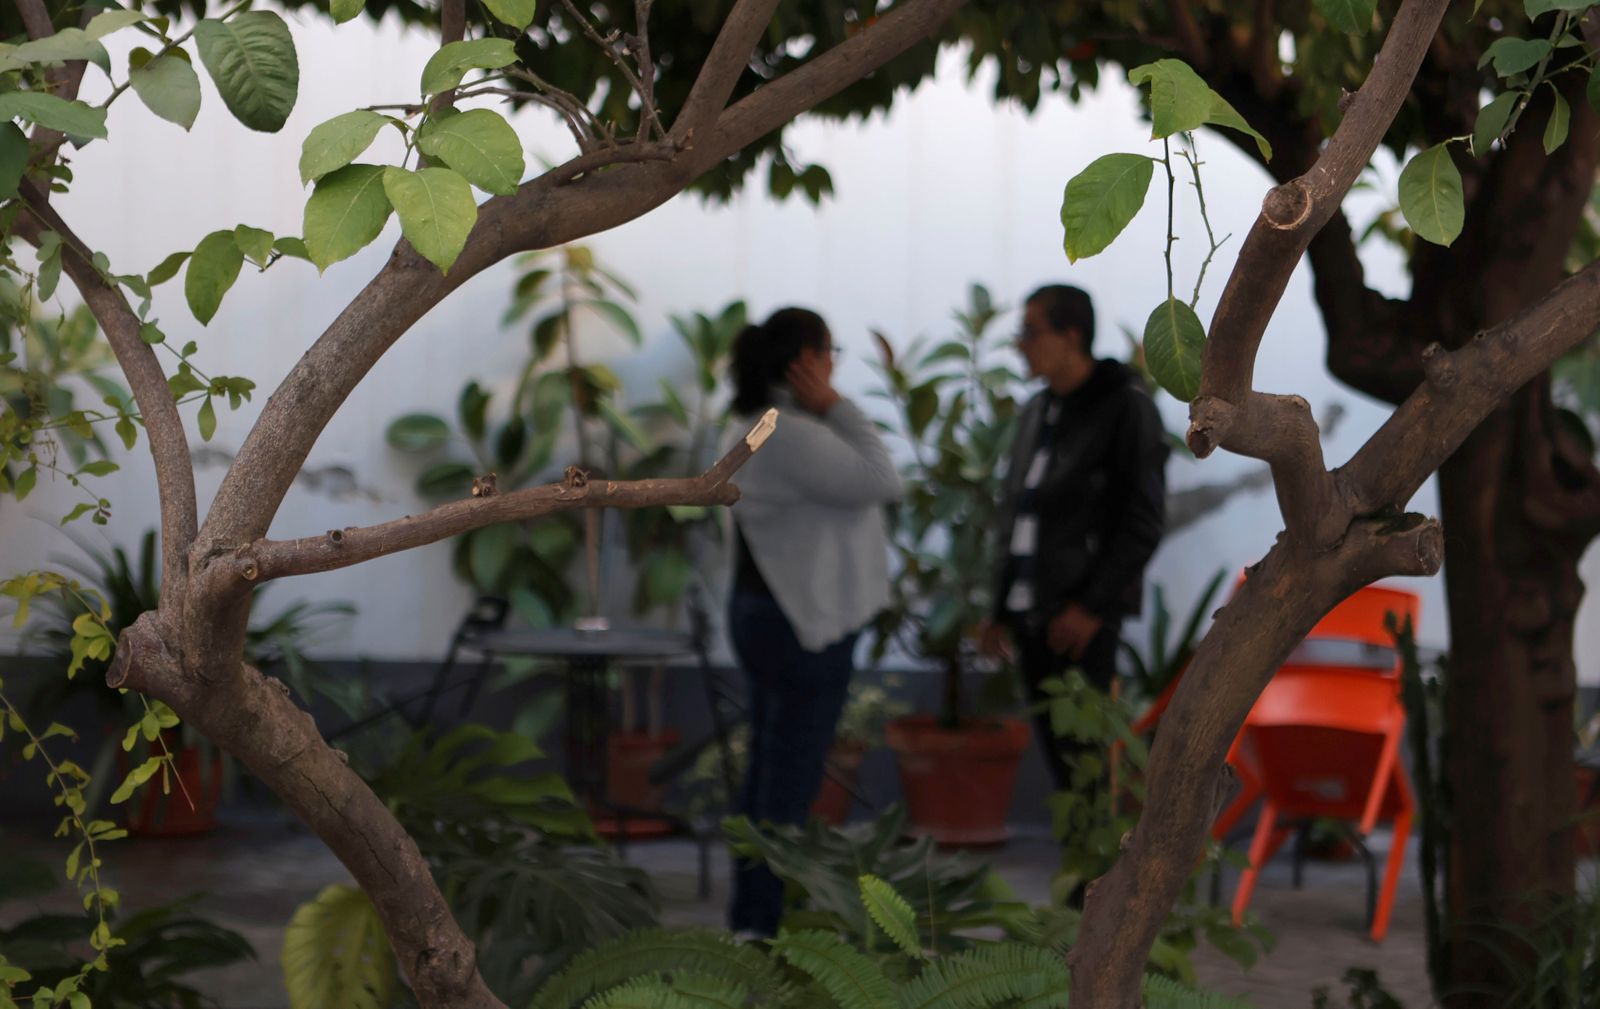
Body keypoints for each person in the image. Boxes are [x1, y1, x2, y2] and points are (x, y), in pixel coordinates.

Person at [722, 307, 901, 937]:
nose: (834, 368)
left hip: (772, 615)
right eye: (831, 355)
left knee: (772, 768)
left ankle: (754, 914)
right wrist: (838, 404)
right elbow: (884, 479)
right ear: (806, 362)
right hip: (800, 625)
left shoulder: (760, 425)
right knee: (787, 780)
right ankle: (760, 924)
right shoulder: (787, 431)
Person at [980, 284, 1168, 792]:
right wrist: (999, 608)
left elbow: (1142, 522)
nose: (1021, 344)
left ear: (1071, 335)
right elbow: (1018, 516)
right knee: (1065, 771)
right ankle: (1085, 870)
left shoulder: (1125, 408)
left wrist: (1091, 606)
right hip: (1032, 617)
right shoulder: (1038, 411)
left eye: (1030, 332)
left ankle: (1106, 871)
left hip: (1080, 619)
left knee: (1089, 768)